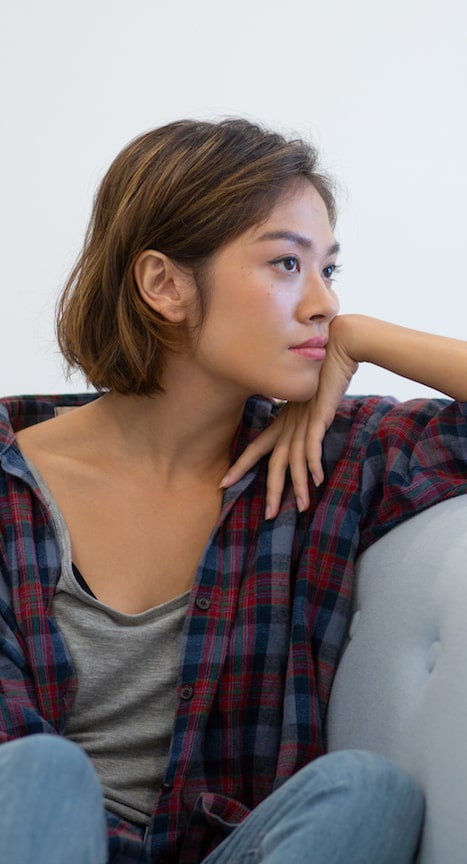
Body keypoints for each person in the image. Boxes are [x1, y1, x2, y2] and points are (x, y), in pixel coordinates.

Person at [1, 118, 467, 864]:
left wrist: (368, 341)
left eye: (328, 271)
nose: (322, 304)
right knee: (41, 771)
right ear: (164, 284)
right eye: (286, 264)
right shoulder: (11, 483)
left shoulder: (334, 462)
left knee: (367, 788)